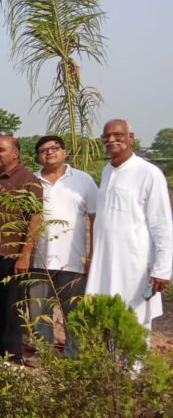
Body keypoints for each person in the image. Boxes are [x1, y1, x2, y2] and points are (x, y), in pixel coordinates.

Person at [86, 119, 172, 333]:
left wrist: (162, 269)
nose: (111, 139)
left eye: (118, 135)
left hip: (135, 263)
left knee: (134, 321)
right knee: (106, 318)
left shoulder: (148, 173)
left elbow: (161, 223)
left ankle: (135, 357)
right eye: (106, 136)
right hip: (105, 262)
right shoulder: (107, 171)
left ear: (130, 137)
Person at [28, 136, 97, 358]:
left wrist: (91, 256)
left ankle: (74, 356)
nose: (49, 152)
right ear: (38, 156)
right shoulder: (32, 181)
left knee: (74, 312)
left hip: (73, 260)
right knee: (39, 311)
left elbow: (95, 218)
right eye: (43, 150)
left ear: (64, 151)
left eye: (54, 148)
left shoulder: (83, 180)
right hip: (39, 259)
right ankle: (44, 354)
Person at [0, 135, 42, 365]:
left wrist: (24, 255)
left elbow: (36, 219)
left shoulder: (28, 180)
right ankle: (0, 349)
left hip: (12, 255)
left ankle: (14, 356)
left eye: (0, 150)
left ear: (15, 153)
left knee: (12, 307)